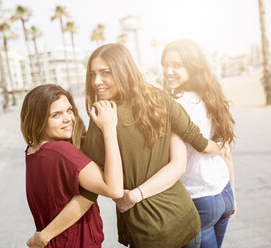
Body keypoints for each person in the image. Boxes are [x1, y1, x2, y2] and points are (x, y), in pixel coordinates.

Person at [83, 43, 223, 248]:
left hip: (149, 232)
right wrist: (220, 148)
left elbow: (92, 178)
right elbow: (197, 141)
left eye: (105, 73)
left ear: (123, 71)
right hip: (185, 219)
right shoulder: (161, 99)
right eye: (92, 74)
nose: (96, 82)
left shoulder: (103, 116)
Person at [20, 84, 123, 248]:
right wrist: (109, 129)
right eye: (56, 115)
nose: (68, 118)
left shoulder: (32, 152)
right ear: (37, 120)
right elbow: (114, 188)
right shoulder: (61, 151)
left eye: (69, 110)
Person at [161, 39, 237, 248]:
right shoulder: (212, 98)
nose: (168, 71)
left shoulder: (176, 104)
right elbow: (226, 151)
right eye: (165, 64)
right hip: (223, 193)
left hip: (198, 200)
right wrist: (232, 191)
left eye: (176, 65)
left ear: (192, 67)